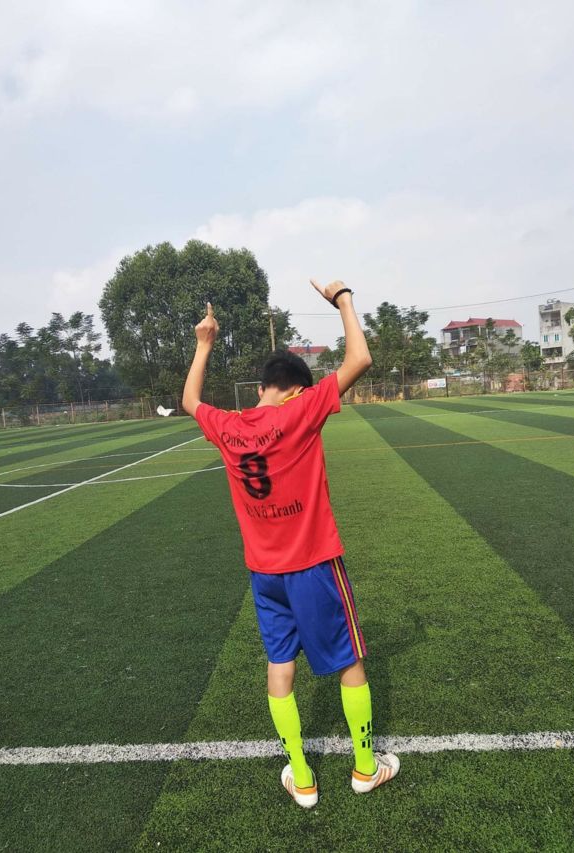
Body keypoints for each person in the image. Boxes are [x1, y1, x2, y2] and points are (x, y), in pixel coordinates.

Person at [182, 279, 400, 807]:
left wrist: (205, 342)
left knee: (280, 666)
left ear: (261, 387)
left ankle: (302, 779)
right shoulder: (302, 411)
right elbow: (360, 358)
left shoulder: (228, 426)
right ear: (298, 390)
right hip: (315, 566)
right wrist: (343, 297)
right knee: (349, 661)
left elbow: (189, 401)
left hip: (264, 575)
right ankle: (364, 769)